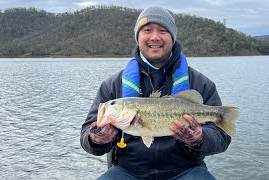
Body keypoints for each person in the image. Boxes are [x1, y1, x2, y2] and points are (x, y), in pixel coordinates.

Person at [80, 6, 231, 180]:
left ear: (172, 37)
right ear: (138, 37)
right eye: (147, 30)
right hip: (127, 171)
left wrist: (200, 138)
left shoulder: (201, 83)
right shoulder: (112, 85)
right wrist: (95, 139)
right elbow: (86, 136)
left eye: (162, 30)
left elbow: (222, 138)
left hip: (187, 169)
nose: (154, 37)